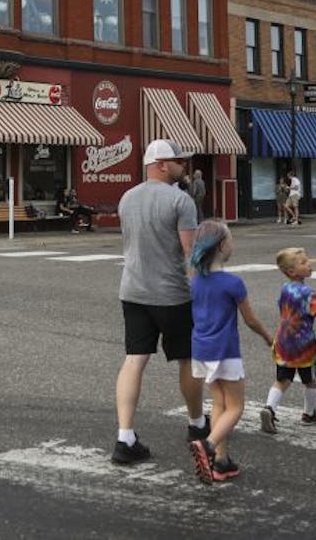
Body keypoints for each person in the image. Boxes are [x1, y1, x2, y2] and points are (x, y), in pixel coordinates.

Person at [112, 140, 204, 465]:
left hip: (133, 291)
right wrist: (203, 292)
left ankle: (125, 436)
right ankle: (196, 424)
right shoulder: (181, 200)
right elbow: (190, 254)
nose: (184, 166)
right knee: (188, 359)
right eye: (179, 161)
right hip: (173, 295)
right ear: (162, 164)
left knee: (134, 359)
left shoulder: (126, 198)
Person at [187, 221, 275, 484]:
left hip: (201, 349)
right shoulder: (232, 283)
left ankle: (221, 462)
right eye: (231, 240)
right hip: (225, 350)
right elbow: (250, 320)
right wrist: (268, 336)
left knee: (219, 404)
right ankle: (209, 445)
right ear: (223, 246)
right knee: (236, 407)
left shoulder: (195, 281)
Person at [259, 247, 316, 435]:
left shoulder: (285, 289)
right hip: (304, 346)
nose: (310, 264)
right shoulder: (309, 293)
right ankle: (309, 414)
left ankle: (269, 408)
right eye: (304, 263)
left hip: (283, 343)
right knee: (310, 381)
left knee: (282, 380)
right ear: (292, 271)